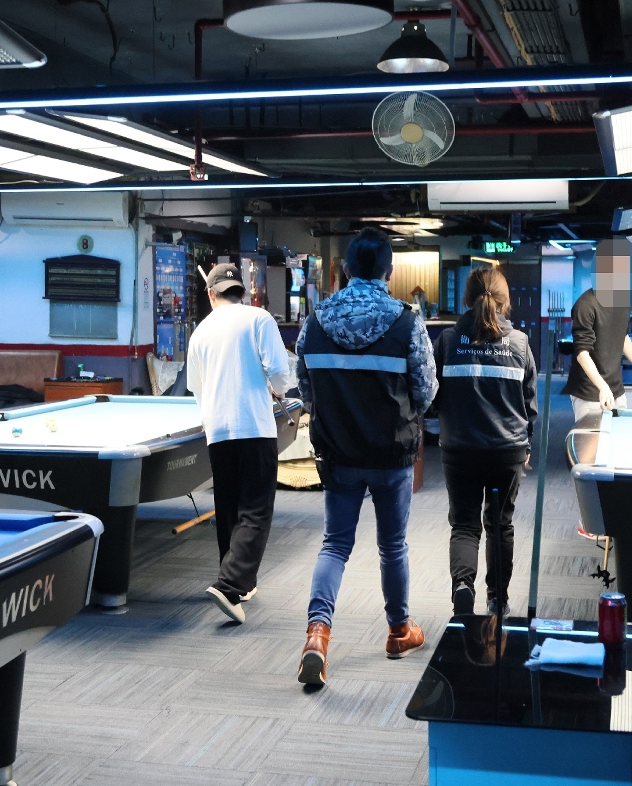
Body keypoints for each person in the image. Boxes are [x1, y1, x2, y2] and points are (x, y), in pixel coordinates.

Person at [294, 227, 437, 687]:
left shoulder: (315, 322)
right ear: (389, 272)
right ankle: (399, 631)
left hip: (338, 452)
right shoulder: (407, 323)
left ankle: (318, 635)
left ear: (346, 270)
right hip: (391, 454)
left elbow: (305, 387)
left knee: (335, 544)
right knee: (392, 545)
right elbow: (426, 392)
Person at [187, 262, 295, 624]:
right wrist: (277, 388)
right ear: (243, 292)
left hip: (218, 430)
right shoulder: (258, 318)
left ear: (211, 294)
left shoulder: (200, 332)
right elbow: (279, 371)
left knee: (229, 506)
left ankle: (237, 581)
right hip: (254, 426)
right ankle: (230, 584)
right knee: (256, 509)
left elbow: (197, 389)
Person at [434, 266, 537, 617]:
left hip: (459, 448)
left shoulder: (448, 341)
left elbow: (433, 395)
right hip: (507, 450)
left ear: (466, 299)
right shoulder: (520, 342)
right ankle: (497, 600)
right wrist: (526, 444)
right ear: (505, 300)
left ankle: (463, 587)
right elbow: (529, 403)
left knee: (464, 524)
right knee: (500, 524)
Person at [563, 238, 632, 422]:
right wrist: (602, 386)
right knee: (592, 439)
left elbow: (622, 337)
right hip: (589, 391)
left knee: (619, 436)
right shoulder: (585, 305)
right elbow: (582, 354)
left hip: (616, 389)